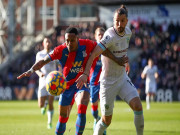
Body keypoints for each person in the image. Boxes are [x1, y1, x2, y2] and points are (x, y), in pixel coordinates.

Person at [76, 5, 144, 135]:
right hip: (108, 83)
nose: (119, 23)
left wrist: (125, 60)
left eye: (122, 20)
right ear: (113, 21)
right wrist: (85, 73)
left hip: (123, 78)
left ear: (127, 21)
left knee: (138, 106)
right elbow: (94, 54)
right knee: (106, 121)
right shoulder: (109, 35)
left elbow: (122, 49)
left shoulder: (128, 33)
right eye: (116, 21)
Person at [34, 37, 61, 129]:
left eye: (49, 42)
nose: (48, 43)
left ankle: (49, 122)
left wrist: (59, 74)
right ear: (43, 44)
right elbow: (36, 68)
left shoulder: (54, 53)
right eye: (46, 42)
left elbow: (59, 65)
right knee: (40, 104)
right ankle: (43, 105)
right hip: (42, 81)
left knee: (51, 102)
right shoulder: (39, 54)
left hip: (52, 82)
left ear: (51, 43)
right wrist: (39, 73)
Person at [89, 27, 106, 134]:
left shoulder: (108, 48)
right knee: (94, 111)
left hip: (105, 82)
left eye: (102, 34)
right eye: (99, 34)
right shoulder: (91, 48)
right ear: (95, 36)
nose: (101, 36)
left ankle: (102, 126)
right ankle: (96, 118)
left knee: (105, 107)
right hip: (93, 83)